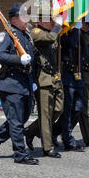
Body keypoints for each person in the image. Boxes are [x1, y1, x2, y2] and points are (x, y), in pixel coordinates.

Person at [0, 2, 39, 165]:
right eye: (24, 16)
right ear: (15, 19)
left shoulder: (25, 36)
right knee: (16, 122)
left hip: (25, 84)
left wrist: (33, 81)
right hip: (11, 84)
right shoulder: (6, 35)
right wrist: (18, 59)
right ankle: (20, 153)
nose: (27, 19)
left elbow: (32, 61)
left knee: (21, 119)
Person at [25, 10, 64, 158]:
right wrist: (58, 26)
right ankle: (47, 147)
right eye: (50, 19)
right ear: (40, 20)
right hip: (43, 79)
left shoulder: (50, 32)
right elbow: (51, 37)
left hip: (54, 77)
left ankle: (30, 131)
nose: (52, 22)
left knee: (59, 109)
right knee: (46, 114)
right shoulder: (36, 32)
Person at [52, 28, 85, 152]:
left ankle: (54, 131)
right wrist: (74, 29)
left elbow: (84, 51)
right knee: (67, 110)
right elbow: (70, 43)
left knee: (78, 109)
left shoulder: (79, 32)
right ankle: (68, 140)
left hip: (78, 75)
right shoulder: (63, 32)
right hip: (66, 76)